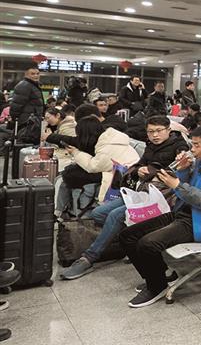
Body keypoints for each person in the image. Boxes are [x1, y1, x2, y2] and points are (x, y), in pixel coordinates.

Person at [120, 125, 201, 307]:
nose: (191, 149)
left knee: (147, 244)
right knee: (127, 235)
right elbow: (189, 190)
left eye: (195, 145)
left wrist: (177, 184)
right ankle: (156, 278)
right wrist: (184, 170)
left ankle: (156, 287)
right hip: (185, 214)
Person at [60, 114, 192, 281]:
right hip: (141, 192)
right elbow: (139, 164)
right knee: (98, 213)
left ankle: (89, 258)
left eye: (159, 131)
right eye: (151, 132)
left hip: (161, 198)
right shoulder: (151, 146)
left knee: (116, 216)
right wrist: (138, 170)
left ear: (168, 130)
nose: (155, 135)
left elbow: (178, 174)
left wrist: (151, 171)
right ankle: (128, 243)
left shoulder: (178, 147)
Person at [56, 114, 139, 217]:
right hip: (115, 171)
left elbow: (93, 167)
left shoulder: (108, 146)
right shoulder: (108, 138)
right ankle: (62, 210)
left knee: (68, 176)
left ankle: (60, 212)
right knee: (69, 173)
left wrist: (76, 153)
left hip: (120, 176)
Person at [8, 66, 44, 133]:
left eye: (37, 73)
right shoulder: (24, 85)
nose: (36, 76)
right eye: (32, 74)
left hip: (32, 121)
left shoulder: (34, 85)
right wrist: (14, 119)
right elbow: (16, 106)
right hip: (26, 122)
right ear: (26, 75)